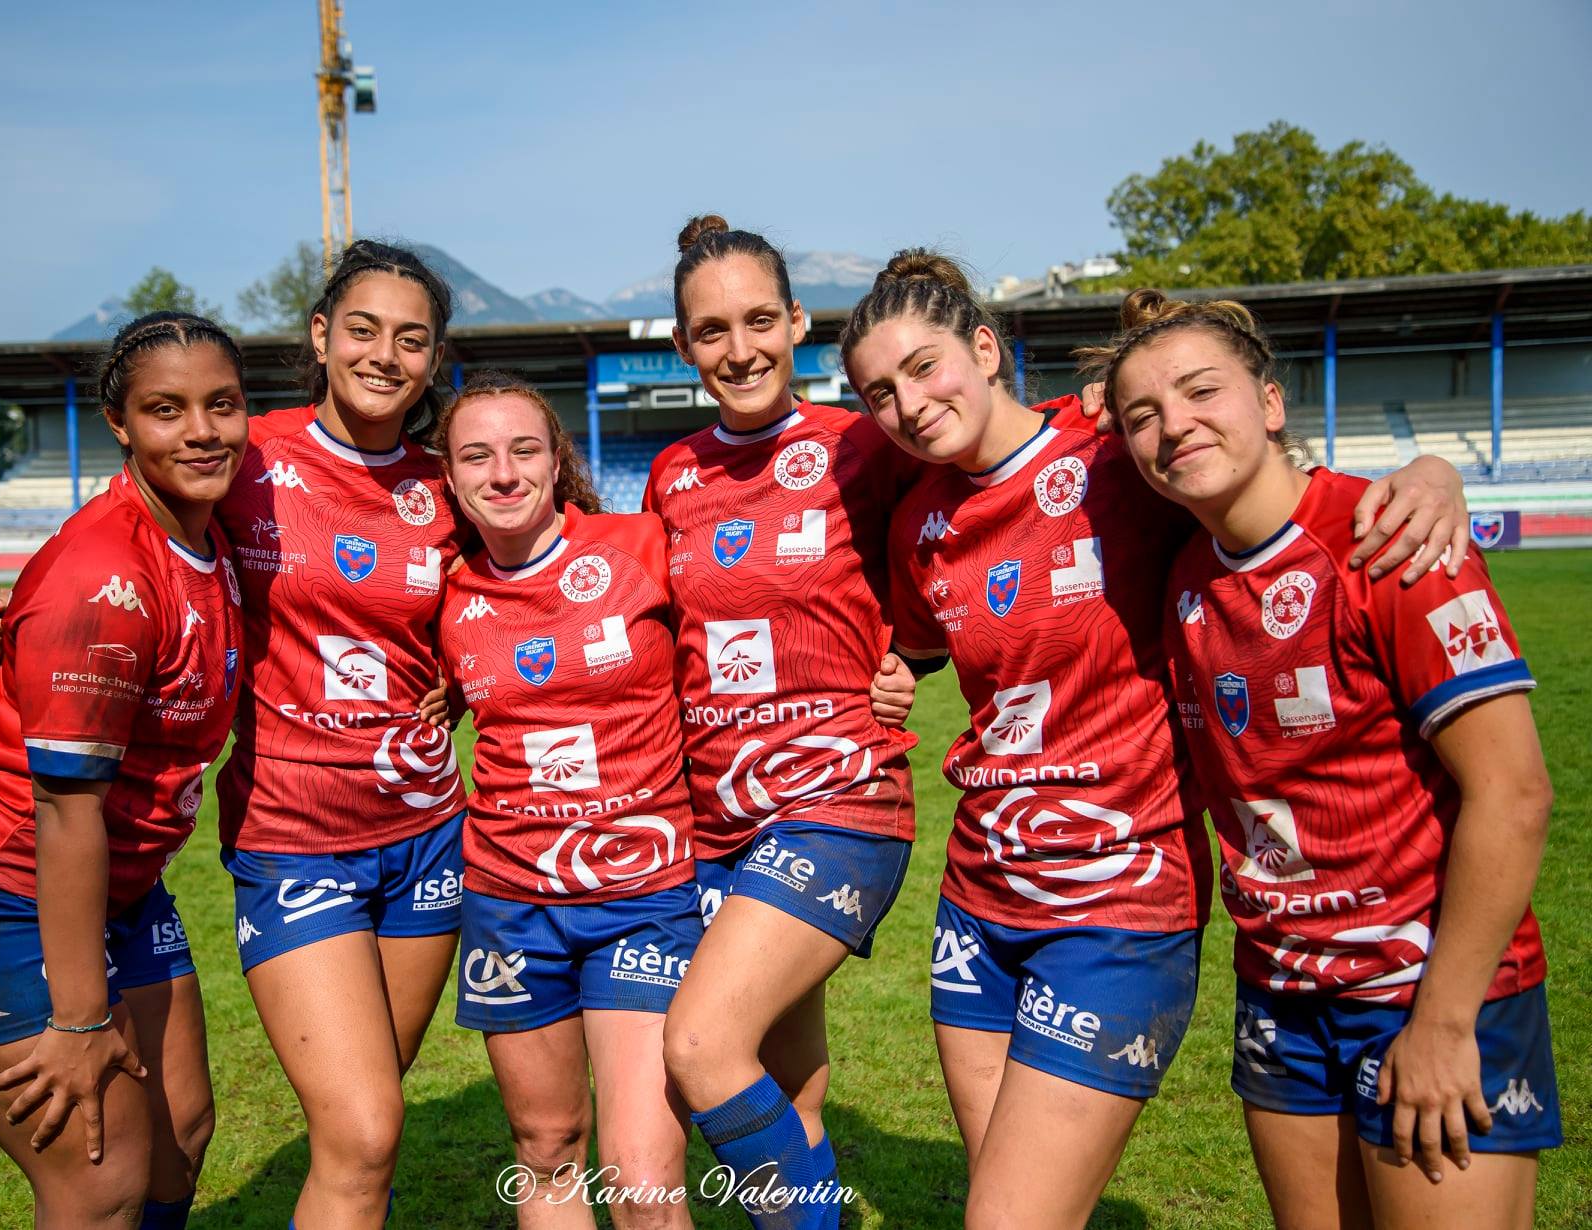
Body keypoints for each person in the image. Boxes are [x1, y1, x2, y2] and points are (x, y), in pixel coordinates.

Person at [838, 251, 1473, 1230]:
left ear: (986, 348)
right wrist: (899, 672)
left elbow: (1271, 488)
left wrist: (1432, 472)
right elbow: (925, 645)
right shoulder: (919, 519)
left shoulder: (1113, 457)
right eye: (880, 393)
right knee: (1008, 1197)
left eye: (925, 367)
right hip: (979, 896)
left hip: (1118, 897)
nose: (910, 404)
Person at [0, 240, 467, 1229]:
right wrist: (11, 602)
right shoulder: (244, 450)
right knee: (365, 1130)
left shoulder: (449, 480)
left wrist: (459, 674)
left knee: (368, 1121)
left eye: (411, 340)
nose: (384, 355)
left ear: (434, 358)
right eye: (362, 330)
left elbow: (521, 596)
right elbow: (118, 537)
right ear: (320, 335)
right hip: (295, 836)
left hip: (427, 837)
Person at [1089, 288, 1557, 1230]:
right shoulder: (1185, 577)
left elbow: (1514, 795)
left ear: (1271, 402)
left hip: (1425, 989)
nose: (1174, 425)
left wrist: (1444, 1022)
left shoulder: (1390, 540)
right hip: (1281, 993)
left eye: (1201, 392)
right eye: (1143, 415)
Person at [0, 311, 247, 1228]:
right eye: (166, 409)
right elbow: (64, 808)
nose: (202, 430)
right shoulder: (105, 575)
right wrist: (79, 1022)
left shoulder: (214, 513)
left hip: (121, 882)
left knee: (179, 1136)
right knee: (100, 1183)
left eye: (223, 404)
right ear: (118, 422)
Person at [648, 216, 920, 1227]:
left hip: (839, 801)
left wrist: (916, 658)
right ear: (685, 346)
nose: (741, 349)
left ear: (800, 321)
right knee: (787, 1081)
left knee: (702, 1046)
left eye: (761, 320)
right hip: (717, 819)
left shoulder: (863, 444)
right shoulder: (672, 473)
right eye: (713, 330)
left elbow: (978, 519)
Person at [433, 371, 703, 1229]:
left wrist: (891, 668)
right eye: (477, 456)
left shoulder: (642, 546)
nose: (503, 473)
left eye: (523, 450)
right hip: (510, 901)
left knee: (643, 1182)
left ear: (556, 461)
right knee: (547, 1145)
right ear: (450, 476)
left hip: (643, 893)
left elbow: (767, 610)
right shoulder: (443, 594)